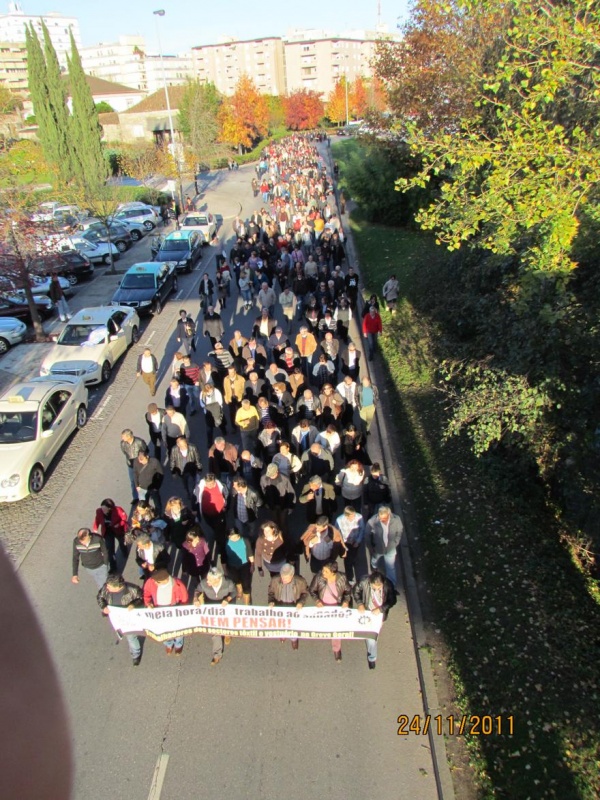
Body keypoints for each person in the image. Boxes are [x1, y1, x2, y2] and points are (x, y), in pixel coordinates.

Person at [97, 574, 144, 666]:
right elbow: (100, 597)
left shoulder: (132, 589)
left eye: (109, 586)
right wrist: (103, 606)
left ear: (117, 586)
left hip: (129, 620)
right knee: (122, 632)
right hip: (116, 618)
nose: (106, 587)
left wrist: (134, 605)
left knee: (131, 637)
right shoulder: (106, 588)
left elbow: (141, 598)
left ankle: (136, 654)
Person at [309, 561, 352, 662]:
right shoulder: (318, 577)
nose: (323, 572)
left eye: (326, 571)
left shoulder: (342, 578)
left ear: (333, 572)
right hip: (324, 607)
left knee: (335, 630)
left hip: (337, 608)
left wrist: (346, 601)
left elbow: (348, 591)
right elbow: (312, 590)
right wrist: (317, 601)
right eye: (323, 570)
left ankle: (336, 649)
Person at [353, 571, 397, 669]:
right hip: (367, 612)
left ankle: (371, 652)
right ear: (370, 582)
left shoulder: (388, 585)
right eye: (374, 588)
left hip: (380, 615)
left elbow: (392, 600)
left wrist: (381, 609)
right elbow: (356, 591)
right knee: (372, 637)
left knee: (374, 636)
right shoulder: (363, 582)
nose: (377, 590)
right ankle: (372, 658)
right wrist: (360, 603)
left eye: (379, 588)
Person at [193, 566, 237, 665]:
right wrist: (195, 598)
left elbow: (234, 592)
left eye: (210, 580)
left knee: (226, 624)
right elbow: (197, 590)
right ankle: (217, 654)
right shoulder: (204, 583)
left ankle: (227, 634)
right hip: (212, 610)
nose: (207, 581)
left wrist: (228, 599)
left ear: (217, 579)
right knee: (215, 631)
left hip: (225, 607)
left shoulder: (228, 583)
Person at [143, 569, 189, 656]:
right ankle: (168, 644)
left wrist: (182, 610)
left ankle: (178, 644)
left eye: (158, 582)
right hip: (159, 610)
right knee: (164, 629)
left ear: (165, 580)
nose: (155, 583)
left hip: (174, 609)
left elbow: (184, 598)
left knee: (178, 629)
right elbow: (146, 593)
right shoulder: (152, 581)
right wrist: (148, 603)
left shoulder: (178, 584)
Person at [267, 563, 309, 650]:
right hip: (280, 605)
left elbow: (305, 593)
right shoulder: (275, 580)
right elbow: (271, 592)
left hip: (293, 607)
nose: (283, 580)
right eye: (282, 577)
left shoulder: (300, 581)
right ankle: (282, 635)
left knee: (293, 625)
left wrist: (301, 602)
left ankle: (294, 639)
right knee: (281, 624)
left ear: (292, 575)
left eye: (286, 578)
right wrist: (271, 601)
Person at [366, 506, 403, 589]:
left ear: (389, 514)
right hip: (377, 548)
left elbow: (399, 531)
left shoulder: (396, 520)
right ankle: (374, 566)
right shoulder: (372, 521)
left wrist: (396, 542)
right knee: (375, 559)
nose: (382, 520)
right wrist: (370, 547)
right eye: (380, 518)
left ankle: (391, 586)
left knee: (391, 568)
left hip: (390, 548)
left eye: (384, 518)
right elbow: (367, 535)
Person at [195, 473, 229, 562]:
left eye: (211, 483)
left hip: (219, 513)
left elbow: (227, 495)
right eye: (208, 484)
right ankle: (219, 536)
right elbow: (195, 499)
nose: (210, 486)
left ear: (215, 481)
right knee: (213, 527)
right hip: (207, 514)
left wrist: (226, 507)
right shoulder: (200, 488)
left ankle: (222, 547)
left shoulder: (221, 486)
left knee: (220, 531)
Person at [92, 498, 129, 573]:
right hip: (107, 531)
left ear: (110, 508)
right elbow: (97, 519)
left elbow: (124, 519)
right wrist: (95, 529)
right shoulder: (99, 511)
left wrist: (119, 524)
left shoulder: (118, 510)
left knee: (122, 542)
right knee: (109, 550)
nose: (103, 511)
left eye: (104, 509)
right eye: (102, 508)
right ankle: (113, 566)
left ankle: (124, 551)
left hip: (118, 530)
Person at [260, 463, 296, 537]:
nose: (270, 476)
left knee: (283, 523)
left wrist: (291, 506)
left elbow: (291, 492)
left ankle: (285, 538)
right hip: (272, 504)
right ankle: (276, 537)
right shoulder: (264, 478)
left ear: (277, 472)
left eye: (272, 474)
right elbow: (262, 491)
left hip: (283, 504)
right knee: (274, 523)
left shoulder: (284, 479)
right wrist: (265, 502)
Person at [335, 505, 365, 586]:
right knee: (347, 561)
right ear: (346, 515)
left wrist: (358, 541)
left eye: (354, 515)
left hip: (355, 541)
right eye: (351, 516)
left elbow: (362, 529)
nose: (353, 517)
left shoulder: (359, 517)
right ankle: (350, 577)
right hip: (346, 543)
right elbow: (337, 532)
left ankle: (354, 560)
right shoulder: (340, 520)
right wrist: (341, 544)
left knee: (354, 555)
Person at [169, 436, 203, 506]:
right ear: (178, 445)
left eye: (185, 444)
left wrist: (199, 468)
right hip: (181, 471)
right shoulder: (174, 450)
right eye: (182, 445)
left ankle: (194, 494)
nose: (185, 446)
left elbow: (197, 458)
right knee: (185, 483)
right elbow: (172, 461)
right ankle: (188, 492)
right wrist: (173, 472)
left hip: (192, 469)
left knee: (194, 482)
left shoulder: (192, 447)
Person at [224, 527, 254, 604]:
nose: (233, 538)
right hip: (232, 566)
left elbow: (250, 553)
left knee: (246, 585)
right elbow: (223, 559)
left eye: (235, 536)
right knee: (236, 580)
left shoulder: (245, 541)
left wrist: (252, 565)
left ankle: (246, 604)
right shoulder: (226, 543)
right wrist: (225, 570)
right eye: (231, 536)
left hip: (245, 565)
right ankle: (239, 590)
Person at [230, 477, 263, 543]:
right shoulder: (234, 490)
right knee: (240, 532)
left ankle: (251, 542)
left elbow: (259, 504)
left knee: (252, 531)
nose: (233, 486)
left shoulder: (253, 493)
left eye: (235, 485)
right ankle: (242, 543)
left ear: (240, 486)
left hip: (250, 518)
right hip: (238, 517)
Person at [120, 429, 148, 503]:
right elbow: (124, 452)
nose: (122, 438)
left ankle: (144, 497)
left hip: (140, 464)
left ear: (129, 436)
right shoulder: (123, 443)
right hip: (130, 465)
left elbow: (146, 451)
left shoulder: (139, 442)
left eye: (123, 437)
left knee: (142, 480)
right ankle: (135, 497)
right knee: (133, 481)